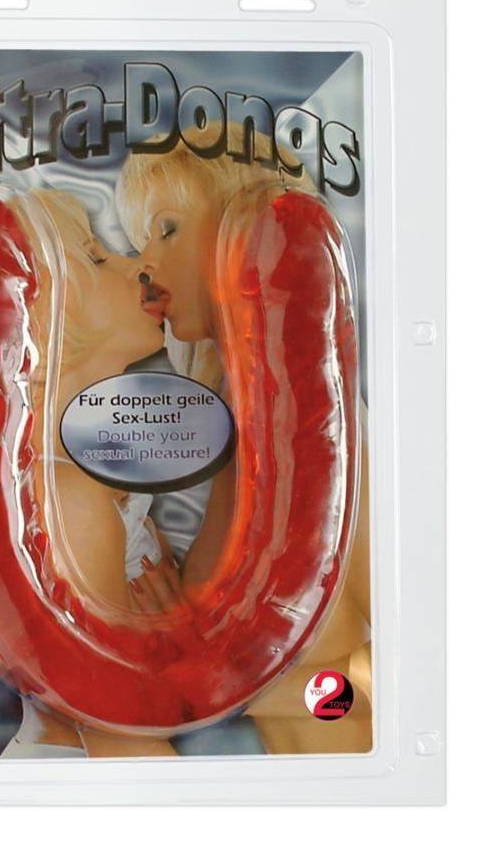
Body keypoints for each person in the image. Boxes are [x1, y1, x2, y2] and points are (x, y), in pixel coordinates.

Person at [115, 127, 372, 754]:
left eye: (167, 229)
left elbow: (431, 650)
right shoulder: (242, 415)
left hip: (354, 781)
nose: (144, 263)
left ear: (247, 232)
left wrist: (252, 686)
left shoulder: (323, 422)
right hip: (287, 787)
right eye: (140, 241)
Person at [0, 188, 184, 758]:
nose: (137, 267)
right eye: (98, 257)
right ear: (42, 315)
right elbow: (119, 732)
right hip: (80, 772)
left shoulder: (90, 481)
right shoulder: (73, 503)